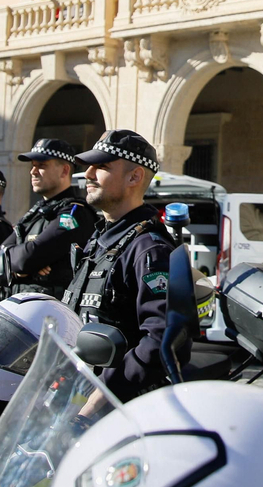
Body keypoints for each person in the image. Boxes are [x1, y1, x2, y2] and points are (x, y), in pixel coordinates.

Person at [65, 130, 178, 401]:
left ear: (135, 176)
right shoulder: (100, 239)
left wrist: (101, 396)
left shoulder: (149, 249)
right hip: (73, 392)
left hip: (114, 408)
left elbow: (160, 340)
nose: (88, 174)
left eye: (101, 167)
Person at [0, 139, 97, 299]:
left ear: (65, 171)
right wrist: (19, 272)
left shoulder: (75, 213)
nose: (33, 171)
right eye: (33, 165)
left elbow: (27, 258)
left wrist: (21, 264)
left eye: (41, 166)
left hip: (50, 315)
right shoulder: (35, 213)